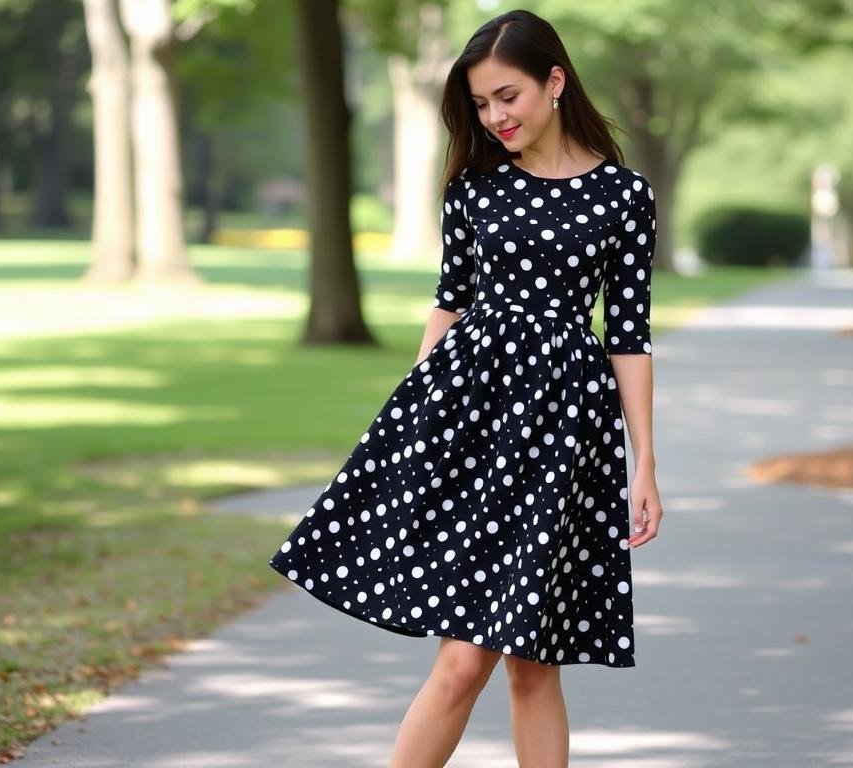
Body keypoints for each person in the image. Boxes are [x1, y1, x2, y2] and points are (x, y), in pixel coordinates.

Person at [269, 8, 665, 767]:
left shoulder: (625, 196)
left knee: (533, 662)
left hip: (564, 432)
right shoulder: (476, 187)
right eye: (482, 104)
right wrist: (417, 419)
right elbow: (449, 303)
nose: (495, 117)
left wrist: (645, 462)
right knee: (460, 663)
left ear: (556, 81)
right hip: (470, 420)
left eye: (507, 97)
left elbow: (629, 335)